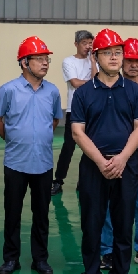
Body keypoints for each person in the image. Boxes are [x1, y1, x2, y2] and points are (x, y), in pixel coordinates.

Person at [71, 29, 138, 274]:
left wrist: (122, 158)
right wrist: (101, 161)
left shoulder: (135, 91)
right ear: (96, 57)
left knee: (124, 224)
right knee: (91, 224)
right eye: (107, 53)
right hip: (94, 167)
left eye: (118, 52)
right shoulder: (83, 93)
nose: (114, 57)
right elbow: (77, 132)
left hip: (126, 166)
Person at [0, 36, 62, 274]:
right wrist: (13, 138)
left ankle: (40, 259)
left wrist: (38, 137)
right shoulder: (8, 90)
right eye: (39, 59)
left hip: (43, 163)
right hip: (16, 163)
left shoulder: (52, 91)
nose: (45, 63)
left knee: (41, 215)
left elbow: (54, 120)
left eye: (46, 59)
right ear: (24, 62)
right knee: (13, 213)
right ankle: (11, 259)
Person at [100, 38, 138, 270]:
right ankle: (107, 251)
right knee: (109, 204)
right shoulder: (112, 85)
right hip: (111, 155)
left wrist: (133, 122)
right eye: (131, 60)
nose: (134, 65)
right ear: (122, 60)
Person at [51, 30, 94, 196]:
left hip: (93, 110)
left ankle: (84, 181)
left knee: (90, 146)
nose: (88, 46)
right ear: (76, 44)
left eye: (90, 43)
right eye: (84, 43)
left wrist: (93, 61)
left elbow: (97, 79)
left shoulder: (94, 61)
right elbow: (75, 83)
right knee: (69, 146)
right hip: (74, 109)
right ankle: (58, 180)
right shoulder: (68, 61)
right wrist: (93, 82)